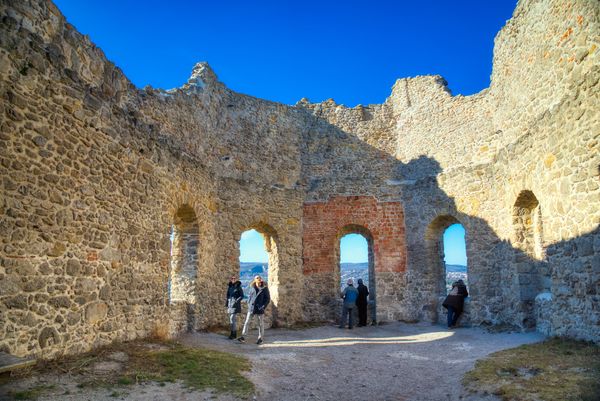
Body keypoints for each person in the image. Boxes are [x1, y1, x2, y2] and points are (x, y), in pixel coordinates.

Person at [238, 275, 270, 344]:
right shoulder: (252, 287)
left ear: (261, 280)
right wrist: (249, 304)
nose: (259, 279)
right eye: (257, 278)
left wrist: (263, 306)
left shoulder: (264, 288)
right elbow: (249, 297)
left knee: (260, 324)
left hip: (259, 308)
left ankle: (260, 338)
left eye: (259, 278)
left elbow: (267, 299)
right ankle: (243, 337)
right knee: (247, 322)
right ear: (254, 280)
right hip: (251, 308)